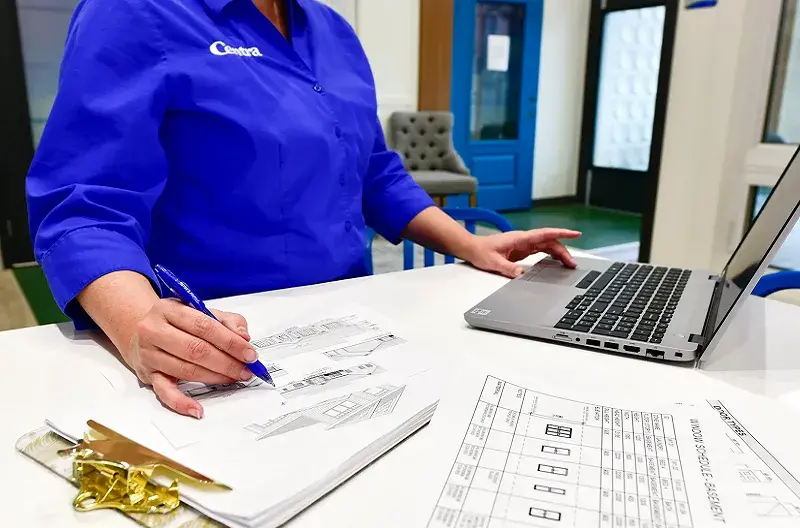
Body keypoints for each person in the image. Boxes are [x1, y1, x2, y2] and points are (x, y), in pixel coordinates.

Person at [26, 0, 580, 418]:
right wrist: (134, 324)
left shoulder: (331, 28)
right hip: (213, 340)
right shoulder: (134, 13)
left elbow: (371, 168)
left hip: (348, 324)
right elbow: (84, 203)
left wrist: (469, 243)